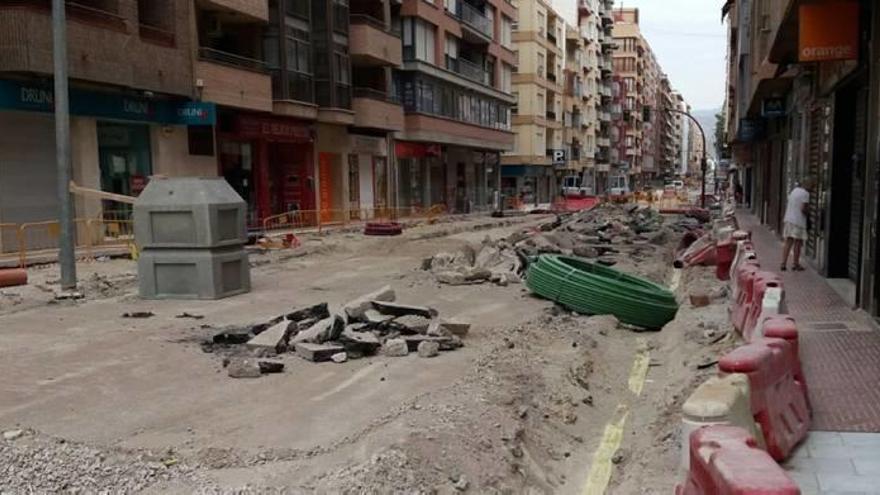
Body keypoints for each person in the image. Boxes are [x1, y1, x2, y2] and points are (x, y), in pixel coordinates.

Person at [781, 177, 814, 271]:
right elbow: (803, 208)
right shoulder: (805, 194)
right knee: (798, 243)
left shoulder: (794, 191)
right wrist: (809, 213)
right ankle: (795, 264)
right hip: (798, 221)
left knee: (788, 241)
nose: (813, 189)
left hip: (788, 219)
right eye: (812, 186)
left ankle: (783, 263)